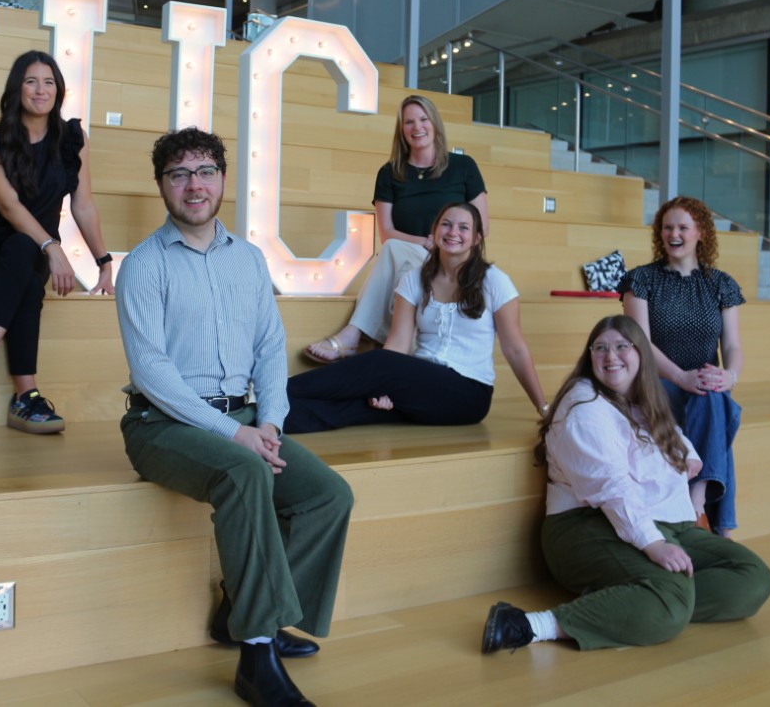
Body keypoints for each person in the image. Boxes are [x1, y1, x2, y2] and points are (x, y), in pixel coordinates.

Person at [115, 126, 354, 707]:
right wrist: (235, 433)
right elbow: (152, 372)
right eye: (179, 174)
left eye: (205, 172)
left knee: (327, 496)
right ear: (162, 186)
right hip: (160, 426)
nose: (194, 185)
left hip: (246, 418)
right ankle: (256, 654)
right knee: (244, 472)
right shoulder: (144, 265)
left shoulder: (248, 259)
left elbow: (270, 347)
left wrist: (269, 424)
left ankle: (245, 611)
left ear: (222, 180)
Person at [482, 315, 770, 654]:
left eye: (622, 346)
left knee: (752, 578)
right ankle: (530, 625)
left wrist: (689, 454)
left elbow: (675, 437)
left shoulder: (644, 400)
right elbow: (612, 488)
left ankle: (632, 599)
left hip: (660, 521)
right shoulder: (584, 405)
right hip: (586, 526)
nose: (611, 356)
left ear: (641, 354)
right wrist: (653, 544)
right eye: (600, 348)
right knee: (671, 600)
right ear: (590, 356)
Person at [0, 50, 113, 435]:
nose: (41, 90)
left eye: (49, 82)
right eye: (31, 81)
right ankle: (19, 390)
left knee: (25, 264)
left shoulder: (72, 139)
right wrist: (52, 247)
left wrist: (103, 261)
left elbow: (83, 205)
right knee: (25, 257)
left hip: (29, 254)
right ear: (16, 89)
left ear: (59, 90)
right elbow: (8, 205)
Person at [285, 202, 547, 432]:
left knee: (379, 363)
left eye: (464, 228)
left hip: (468, 394)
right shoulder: (414, 280)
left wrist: (543, 406)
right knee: (356, 408)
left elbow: (515, 350)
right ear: (435, 231)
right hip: (419, 383)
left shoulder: (495, 281)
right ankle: (270, 418)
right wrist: (383, 388)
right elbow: (398, 344)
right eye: (446, 224)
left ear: (477, 238)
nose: (453, 232)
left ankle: (277, 391)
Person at [304, 95, 488, 363]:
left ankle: (354, 335)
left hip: (453, 259)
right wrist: (425, 242)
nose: (417, 127)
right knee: (401, 265)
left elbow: (482, 227)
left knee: (397, 261)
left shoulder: (464, 167)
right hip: (412, 256)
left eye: (423, 119)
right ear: (401, 130)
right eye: (409, 122)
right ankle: (399, 360)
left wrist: (442, 243)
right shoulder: (389, 173)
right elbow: (387, 232)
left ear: (435, 123)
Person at [619, 196, 745, 536]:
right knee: (715, 405)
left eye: (682, 228)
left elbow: (732, 345)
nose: (673, 234)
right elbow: (640, 343)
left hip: (700, 386)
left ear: (701, 233)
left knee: (713, 394)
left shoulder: (722, 284)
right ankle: (720, 528)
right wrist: (680, 376)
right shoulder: (641, 280)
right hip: (655, 383)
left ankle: (698, 495)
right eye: (667, 227)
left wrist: (729, 375)